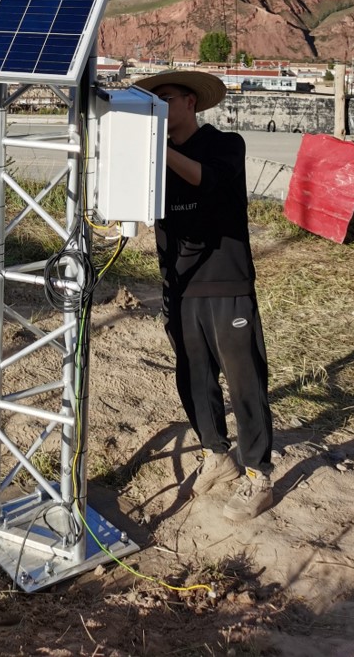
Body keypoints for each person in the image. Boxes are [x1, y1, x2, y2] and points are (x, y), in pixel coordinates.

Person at [135, 70, 274, 521]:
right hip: (179, 284)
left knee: (244, 380)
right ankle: (217, 454)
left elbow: (204, 180)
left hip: (226, 281)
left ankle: (258, 474)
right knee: (193, 377)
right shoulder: (152, 158)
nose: (158, 107)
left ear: (190, 102)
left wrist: (158, 148)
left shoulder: (225, 144)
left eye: (166, 99)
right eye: (151, 101)